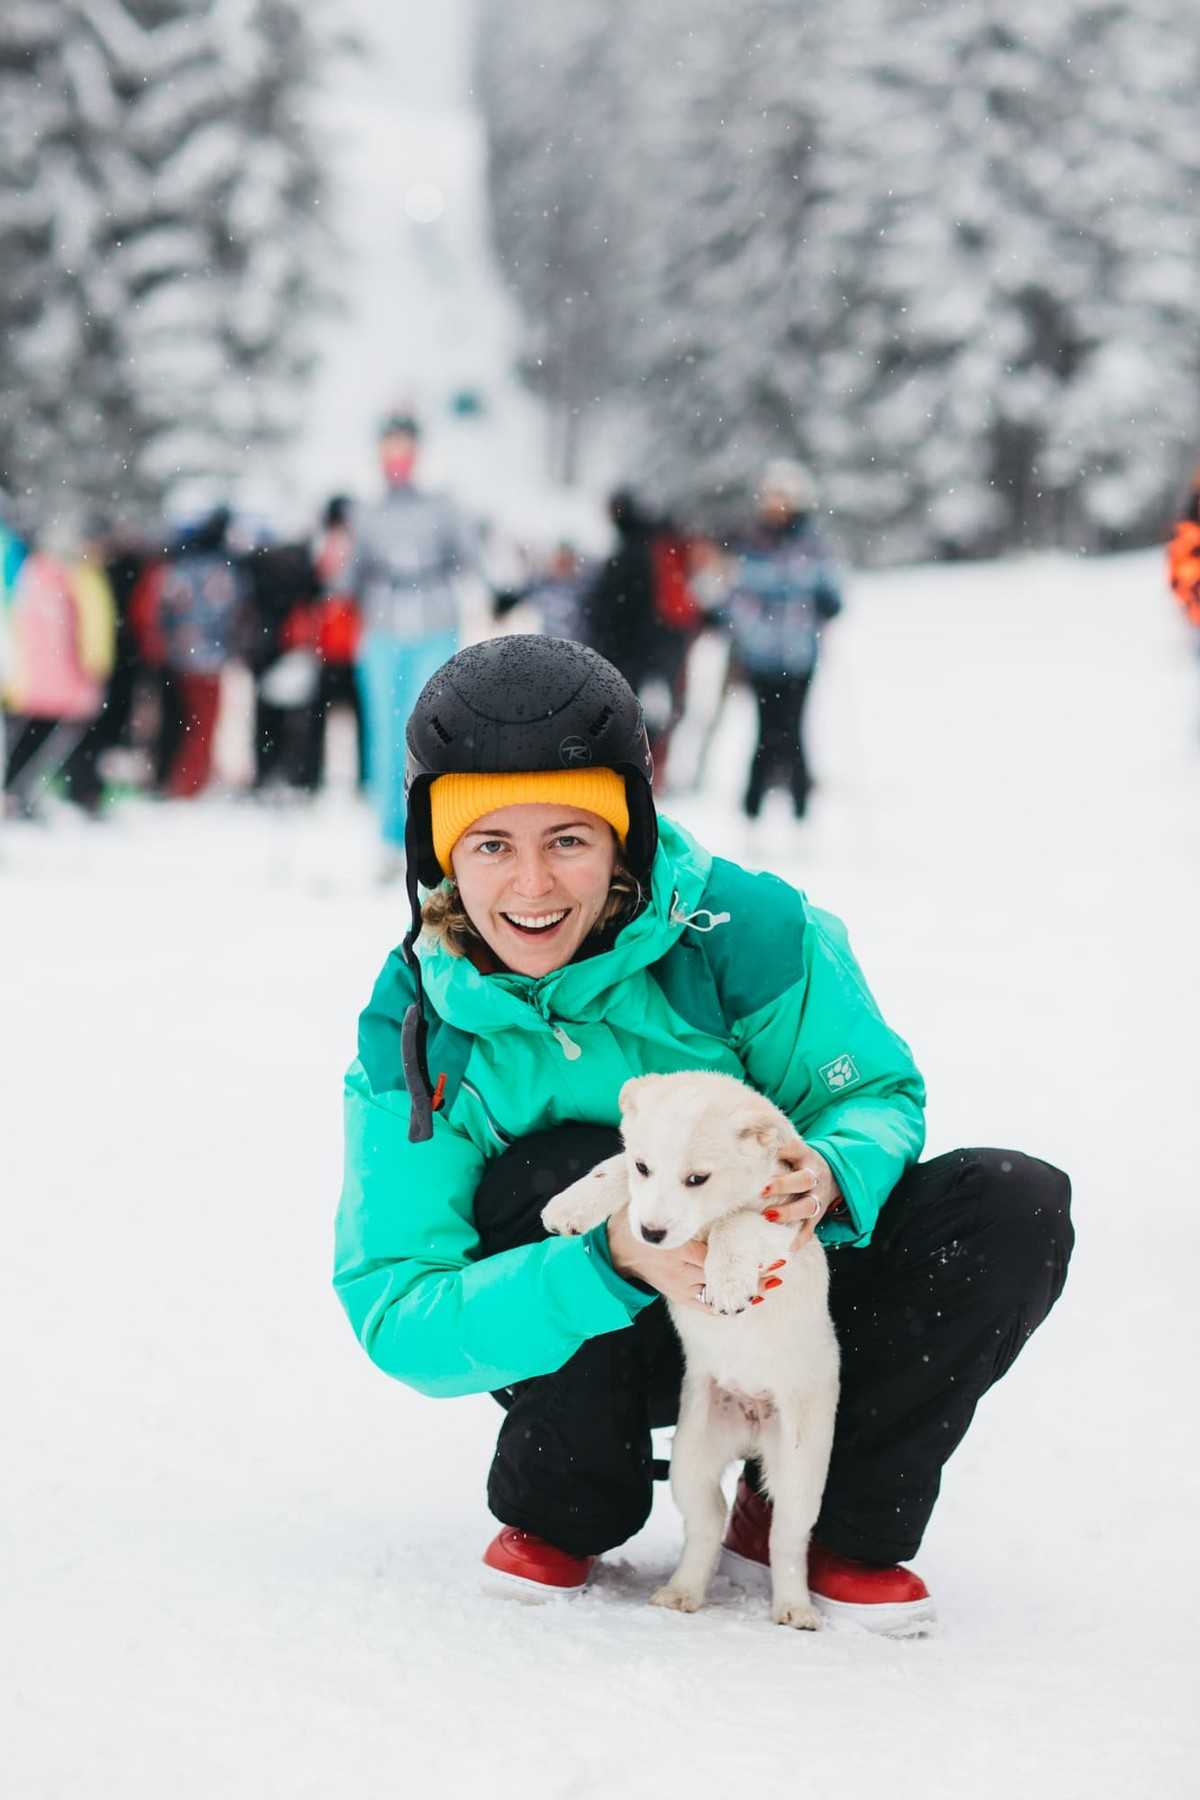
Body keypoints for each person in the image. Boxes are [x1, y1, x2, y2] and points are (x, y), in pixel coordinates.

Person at [333, 636, 1073, 1635]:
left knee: (1010, 1201)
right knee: (553, 1171)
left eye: (569, 839)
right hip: (601, 1334)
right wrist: (606, 1264)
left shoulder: (747, 931)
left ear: (627, 835)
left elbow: (875, 1090)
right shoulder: (420, 1019)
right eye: (491, 845)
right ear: (441, 854)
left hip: (781, 1295)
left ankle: (821, 1516)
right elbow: (397, 1304)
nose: (532, 886)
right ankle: (572, 1500)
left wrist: (833, 1165)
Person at [346, 414, 475, 857]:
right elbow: (350, 574)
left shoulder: (441, 505)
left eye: (404, 448)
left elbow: (471, 556)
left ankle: (429, 826)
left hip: (434, 621)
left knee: (429, 724)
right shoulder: (366, 510)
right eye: (390, 448)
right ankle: (388, 831)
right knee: (384, 729)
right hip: (382, 625)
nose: (397, 458)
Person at [721, 459, 842, 821]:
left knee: (794, 731)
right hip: (762, 655)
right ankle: (752, 810)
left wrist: (828, 601)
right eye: (771, 498)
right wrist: (749, 622)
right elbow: (737, 596)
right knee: (766, 731)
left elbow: (831, 589)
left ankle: (801, 809)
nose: (776, 506)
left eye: (783, 498)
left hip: (800, 653)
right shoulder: (754, 543)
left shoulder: (812, 545)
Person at [2, 528, 115, 819]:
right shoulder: (77, 578)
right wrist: (95, 665)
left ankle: (18, 793)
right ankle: (32, 794)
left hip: (35, 675)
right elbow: (92, 630)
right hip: (62, 676)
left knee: (33, 736)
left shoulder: (34, 574)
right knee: (52, 738)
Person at [157, 505, 245, 799]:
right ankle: (190, 781)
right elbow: (231, 611)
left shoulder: (179, 569)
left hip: (179, 655)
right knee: (203, 723)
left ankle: (183, 777)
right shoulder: (224, 571)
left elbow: (165, 610)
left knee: (181, 722)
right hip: (209, 657)